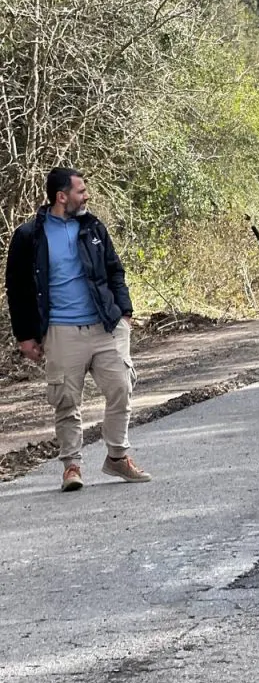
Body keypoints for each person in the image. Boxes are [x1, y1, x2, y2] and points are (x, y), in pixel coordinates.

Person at [4, 167, 151, 492]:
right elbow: (16, 289)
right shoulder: (29, 236)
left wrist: (124, 312)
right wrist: (25, 335)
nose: (86, 196)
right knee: (66, 400)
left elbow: (114, 269)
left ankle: (117, 456)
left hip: (106, 326)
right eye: (81, 191)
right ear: (61, 197)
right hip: (61, 331)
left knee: (121, 388)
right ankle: (72, 466)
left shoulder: (93, 228)